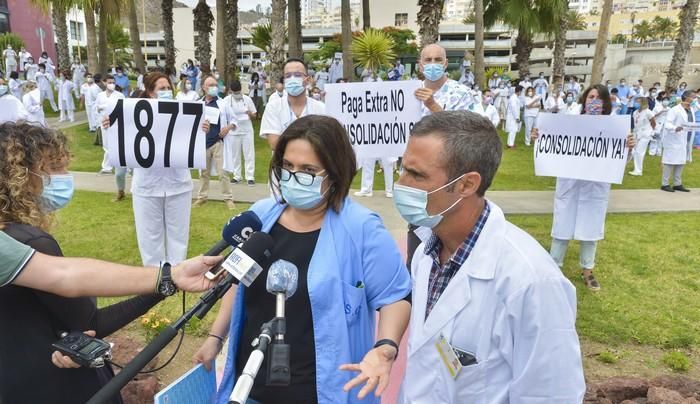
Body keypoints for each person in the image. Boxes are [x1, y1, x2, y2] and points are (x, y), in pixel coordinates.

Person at [346, 111, 585, 402]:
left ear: (467, 184)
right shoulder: (427, 253)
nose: (401, 183)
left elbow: (551, 394)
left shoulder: (531, 282)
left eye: (416, 175)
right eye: (402, 168)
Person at [196, 115, 412, 404]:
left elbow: (394, 296)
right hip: (251, 384)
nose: (294, 176)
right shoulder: (261, 216)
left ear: (335, 173)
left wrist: (385, 348)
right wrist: (215, 338)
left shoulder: (362, 228)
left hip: (322, 390)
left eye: (308, 170)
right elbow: (238, 281)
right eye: (287, 166)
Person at [0, 122, 170, 403]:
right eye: (53, 168)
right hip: (59, 384)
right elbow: (88, 313)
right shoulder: (31, 243)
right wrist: (166, 282)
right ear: (19, 175)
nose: (65, 177)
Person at [533, 84, 635, 291]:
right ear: (584, 100)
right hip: (570, 186)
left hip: (595, 188)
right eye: (590, 97)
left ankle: (588, 270)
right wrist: (539, 137)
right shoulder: (569, 123)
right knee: (561, 227)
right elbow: (553, 146)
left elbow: (618, 160)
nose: (593, 101)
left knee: (590, 229)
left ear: (605, 102)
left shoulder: (615, 127)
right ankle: (554, 267)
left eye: (598, 98)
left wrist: (628, 147)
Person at [101, 72, 209, 266]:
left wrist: (201, 128)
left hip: (178, 184)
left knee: (178, 233)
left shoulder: (182, 112)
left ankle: (177, 273)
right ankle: (154, 277)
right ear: (150, 92)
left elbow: (193, 140)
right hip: (147, 184)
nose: (167, 91)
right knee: (149, 235)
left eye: (169, 88)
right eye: (162, 89)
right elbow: (122, 142)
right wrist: (112, 126)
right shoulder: (134, 114)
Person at [260, 58, 326, 151]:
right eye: (288, 75)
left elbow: (324, 142)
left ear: (307, 80)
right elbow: (275, 144)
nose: (292, 78)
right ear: (284, 81)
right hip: (282, 164)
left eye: (298, 75)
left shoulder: (321, 109)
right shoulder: (273, 107)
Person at [194, 74, 237, 210]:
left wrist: (228, 127)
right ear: (203, 88)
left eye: (215, 85)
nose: (213, 87)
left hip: (218, 142)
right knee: (203, 173)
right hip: (203, 143)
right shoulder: (198, 104)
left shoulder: (223, 103)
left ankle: (228, 198)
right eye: (210, 85)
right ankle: (202, 197)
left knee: (223, 173)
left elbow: (235, 120)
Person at [223, 80, 257, 186]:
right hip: (233, 132)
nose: (237, 94)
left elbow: (255, 115)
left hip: (247, 130)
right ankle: (237, 176)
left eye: (238, 92)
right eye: (235, 93)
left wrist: (249, 113)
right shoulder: (227, 100)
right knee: (235, 155)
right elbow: (223, 115)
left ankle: (250, 177)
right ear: (231, 91)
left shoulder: (247, 99)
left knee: (249, 154)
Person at [660, 90, 694, 192]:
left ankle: (677, 184)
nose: (694, 99)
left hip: (685, 139)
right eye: (692, 97)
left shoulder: (691, 109)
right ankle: (665, 184)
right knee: (669, 162)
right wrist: (675, 128)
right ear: (686, 97)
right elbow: (667, 124)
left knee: (681, 162)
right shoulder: (674, 109)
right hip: (674, 138)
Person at [95, 75, 125, 175]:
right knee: (106, 145)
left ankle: (124, 167)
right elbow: (96, 108)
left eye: (113, 82)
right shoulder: (100, 95)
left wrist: (104, 107)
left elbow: (121, 107)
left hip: (116, 123)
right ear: (104, 83)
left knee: (119, 145)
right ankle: (107, 168)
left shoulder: (119, 95)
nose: (111, 84)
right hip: (104, 123)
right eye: (109, 82)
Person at [629, 97, 656, 176]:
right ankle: (636, 167)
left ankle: (638, 171)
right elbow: (635, 123)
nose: (636, 104)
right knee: (633, 151)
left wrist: (652, 131)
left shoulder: (648, 112)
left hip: (646, 134)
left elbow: (653, 122)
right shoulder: (635, 112)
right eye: (636, 102)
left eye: (638, 102)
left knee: (639, 152)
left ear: (643, 103)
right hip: (637, 133)